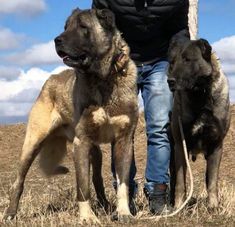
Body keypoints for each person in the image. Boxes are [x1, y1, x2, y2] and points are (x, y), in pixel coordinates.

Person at [92, 0, 189, 214]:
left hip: (160, 61)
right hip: (122, 62)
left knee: (160, 127)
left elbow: (179, 30)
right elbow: (97, 24)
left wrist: (180, 58)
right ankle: (125, 196)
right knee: (121, 131)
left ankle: (157, 193)